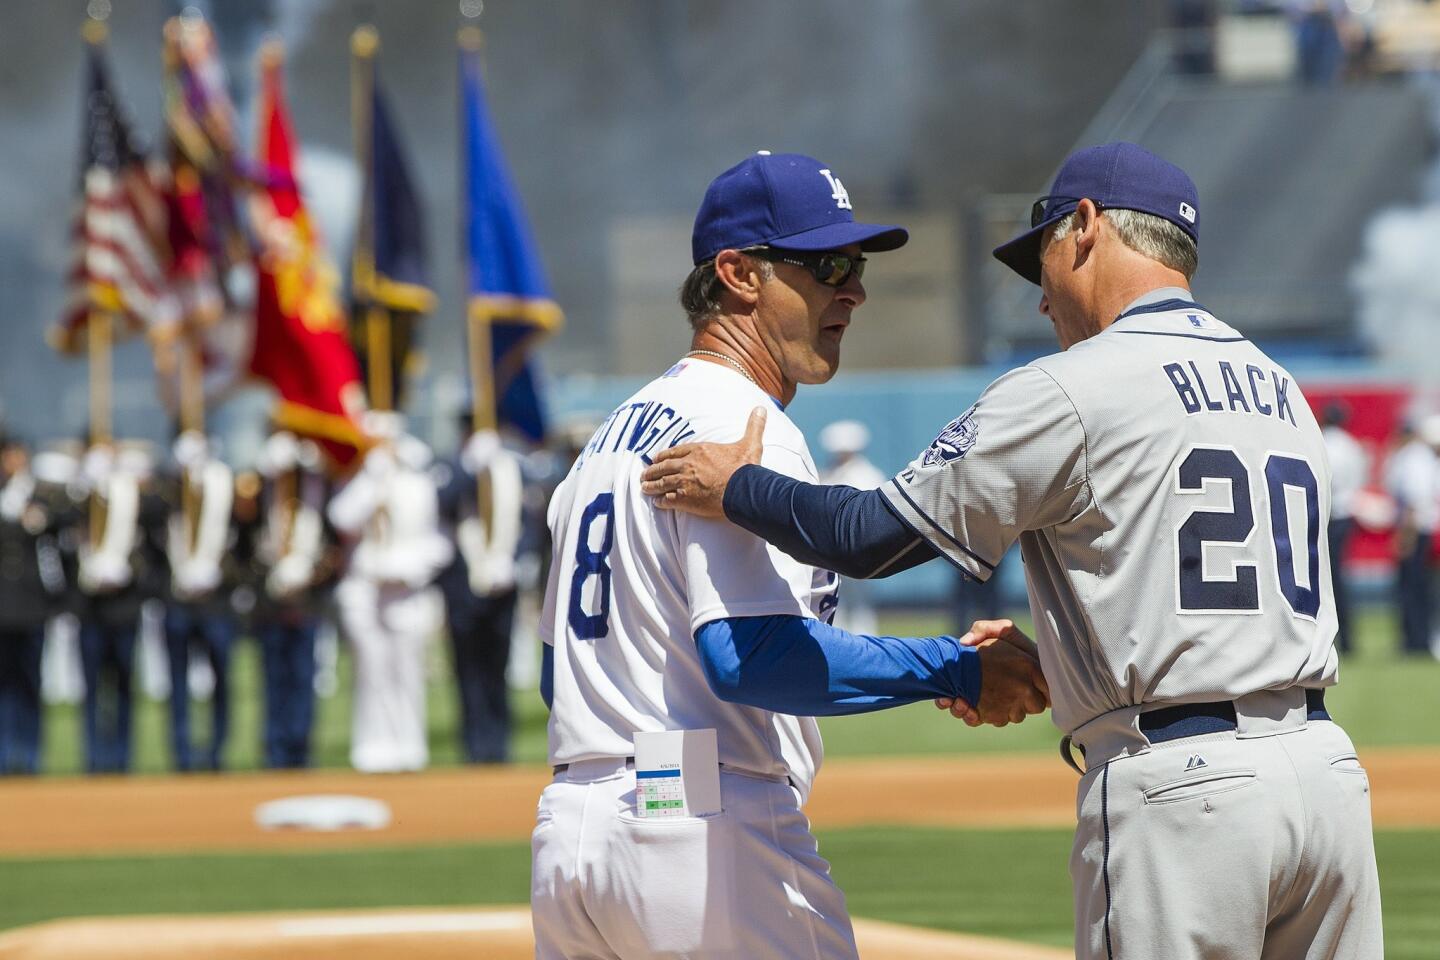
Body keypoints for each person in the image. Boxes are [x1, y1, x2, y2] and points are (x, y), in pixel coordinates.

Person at [642, 142, 1383, 959]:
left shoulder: (1071, 385)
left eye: (1043, 264)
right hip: (1327, 780)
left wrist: (734, 485)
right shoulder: (1280, 388)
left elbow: (863, 540)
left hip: (1184, 791)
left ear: (1087, 228)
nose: (1040, 303)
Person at [534, 151, 1048, 960]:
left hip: (570, 836)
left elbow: (551, 673)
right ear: (738, 274)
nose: (854, 289)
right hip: (697, 819)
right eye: (825, 265)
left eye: (856, 265)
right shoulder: (741, 424)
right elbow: (751, 659)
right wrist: (955, 668)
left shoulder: (606, 436)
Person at [329, 411, 452, 773]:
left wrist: (414, 568)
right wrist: (370, 484)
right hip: (365, 588)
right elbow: (341, 518)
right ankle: (372, 746)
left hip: (404, 591)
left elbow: (438, 541)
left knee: (406, 670)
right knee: (371, 669)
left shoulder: (418, 486)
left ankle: (409, 745)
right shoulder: (358, 482)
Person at [436, 420, 525, 764]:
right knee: (468, 672)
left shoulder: (513, 468)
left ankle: (499, 748)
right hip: (464, 588)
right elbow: (443, 502)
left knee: (497, 670)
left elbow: (532, 512)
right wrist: (469, 469)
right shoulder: (453, 468)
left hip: (504, 586)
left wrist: (515, 561)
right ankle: (474, 748)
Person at [252, 430, 334, 769]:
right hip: (270, 601)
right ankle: (275, 750)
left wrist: (312, 573)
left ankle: (300, 749)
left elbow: (335, 541)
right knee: (273, 679)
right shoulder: (263, 489)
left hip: (307, 598)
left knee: (303, 677)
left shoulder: (321, 491)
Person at [161, 430, 241, 772]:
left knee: (222, 679)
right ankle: (182, 753)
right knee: (177, 682)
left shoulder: (226, 484)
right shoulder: (169, 485)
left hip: (216, 601)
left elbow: (243, 529)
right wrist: (179, 481)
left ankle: (217, 752)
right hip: (178, 600)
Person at [0, 438, 65, 775]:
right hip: (2, 607)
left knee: (29, 682)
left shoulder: (42, 495)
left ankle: (30, 755)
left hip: (31, 606)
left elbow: (61, 524)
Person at [817, 420, 885, 636]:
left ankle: (866, 646)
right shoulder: (825, 473)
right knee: (834, 602)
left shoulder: (868, 475)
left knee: (861, 604)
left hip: (859, 548)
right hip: (829, 549)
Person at [1385, 417, 1439, 657]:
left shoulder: (1412, 457)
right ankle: (1419, 639)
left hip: (1417, 529)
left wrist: (1406, 536)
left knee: (1412, 588)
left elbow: (1414, 501)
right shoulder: (1423, 457)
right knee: (1420, 588)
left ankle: (1416, 641)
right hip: (1423, 527)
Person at [1320, 401, 1368, 654]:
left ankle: (1331, 639)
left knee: (1326, 581)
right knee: (1340, 580)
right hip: (1346, 513)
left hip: (1328, 515)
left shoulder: (1323, 441)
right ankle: (1347, 640)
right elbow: (1360, 479)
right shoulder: (1351, 445)